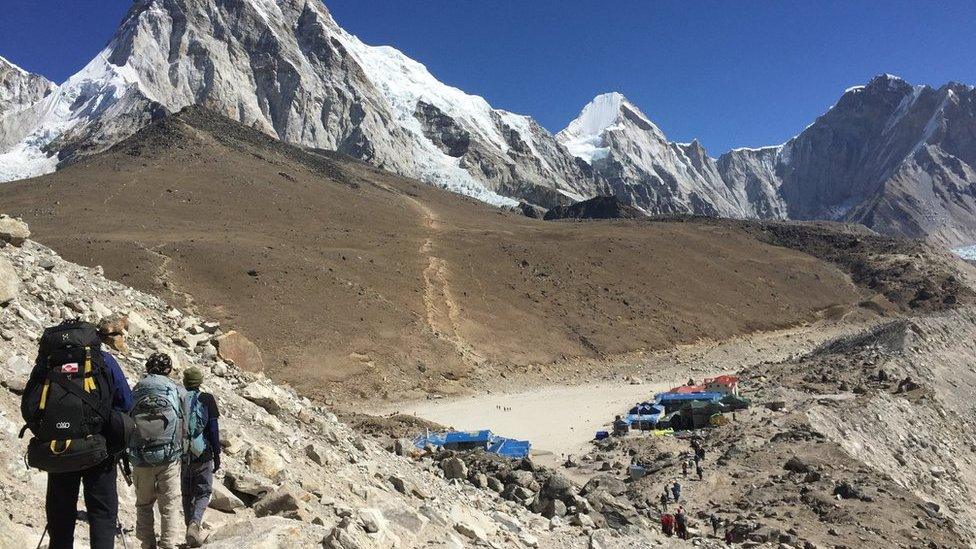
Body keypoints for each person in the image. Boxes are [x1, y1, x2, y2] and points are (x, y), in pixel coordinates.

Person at [22, 320, 133, 549]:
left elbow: (30, 407)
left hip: (59, 450)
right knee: (102, 515)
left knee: (60, 518)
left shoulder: (49, 363)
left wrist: (49, 433)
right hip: (99, 450)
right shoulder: (104, 361)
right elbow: (126, 402)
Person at [130, 354, 186, 549]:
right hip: (169, 457)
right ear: (168, 369)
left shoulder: (137, 389)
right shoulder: (175, 390)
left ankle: (147, 544)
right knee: (170, 504)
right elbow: (183, 420)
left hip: (141, 456)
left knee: (144, 504)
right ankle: (169, 544)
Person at [181, 367, 221, 548]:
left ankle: (190, 528)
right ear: (200, 382)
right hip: (202, 454)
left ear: (185, 382)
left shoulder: (178, 397)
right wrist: (217, 454)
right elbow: (213, 430)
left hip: (182, 455)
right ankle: (195, 524)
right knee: (204, 491)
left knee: (187, 493)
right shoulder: (207, 399)